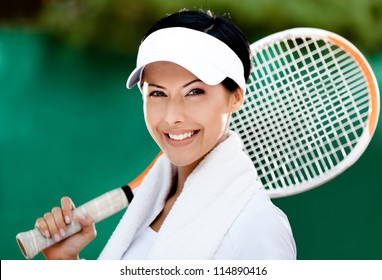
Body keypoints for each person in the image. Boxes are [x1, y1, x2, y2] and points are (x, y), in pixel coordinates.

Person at [35, 9, 296, 260]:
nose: (172, 117)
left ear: (236, 96)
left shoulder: (258, 227)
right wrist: (66, 263)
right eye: (157, 93)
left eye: (194, 92)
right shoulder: (150, 209)